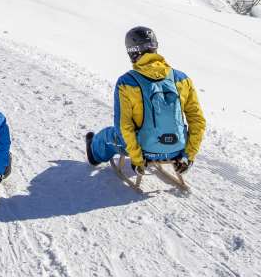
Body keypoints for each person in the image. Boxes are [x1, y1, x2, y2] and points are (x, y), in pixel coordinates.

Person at [85, 26, 206, 175]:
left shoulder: (126, 82)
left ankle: (93, 154)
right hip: (177, 150)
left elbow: (123, 125)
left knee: (108, 135)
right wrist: (188, 156)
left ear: (133, 52)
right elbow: (197, 120)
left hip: (145, 152)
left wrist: (137, 159)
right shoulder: (182, 79)